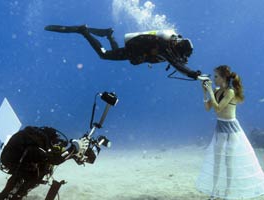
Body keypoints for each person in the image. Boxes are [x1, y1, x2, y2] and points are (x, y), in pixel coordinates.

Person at [0, 126, 90, 200]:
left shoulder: (34, 140)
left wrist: (72, 153)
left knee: (10, 192)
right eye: (54, 144)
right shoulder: (36, 147)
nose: (54, 147)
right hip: (19, 168)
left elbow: (55, 156)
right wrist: (73, 149)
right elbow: (54, 159)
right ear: (48, 140)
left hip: (18, 166)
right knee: (6, 196)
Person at [196, 65, 264, 199]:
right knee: (217, 160)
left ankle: (228, 192)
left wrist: (210, 91)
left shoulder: (230, 92)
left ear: (223, 78)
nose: (213, 79)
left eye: (216, 76)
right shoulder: (216, 90)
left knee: (228, 161)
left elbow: (218, 109)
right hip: (220, 127)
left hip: (231, 129)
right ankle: (214, 191)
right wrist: (205, 92)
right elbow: (207, 108)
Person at [44, 24, 201, 79]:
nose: (180, 57)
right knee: (104, 55)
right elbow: (176, 64)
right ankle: (83, 31)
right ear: (179, 49)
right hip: (133, 51)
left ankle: (109, 34)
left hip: (133, 52)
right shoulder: (165, 47)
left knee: (116, 52)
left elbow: (178, 62)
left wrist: (190, 71)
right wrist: (191, 73)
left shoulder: (169, 45)